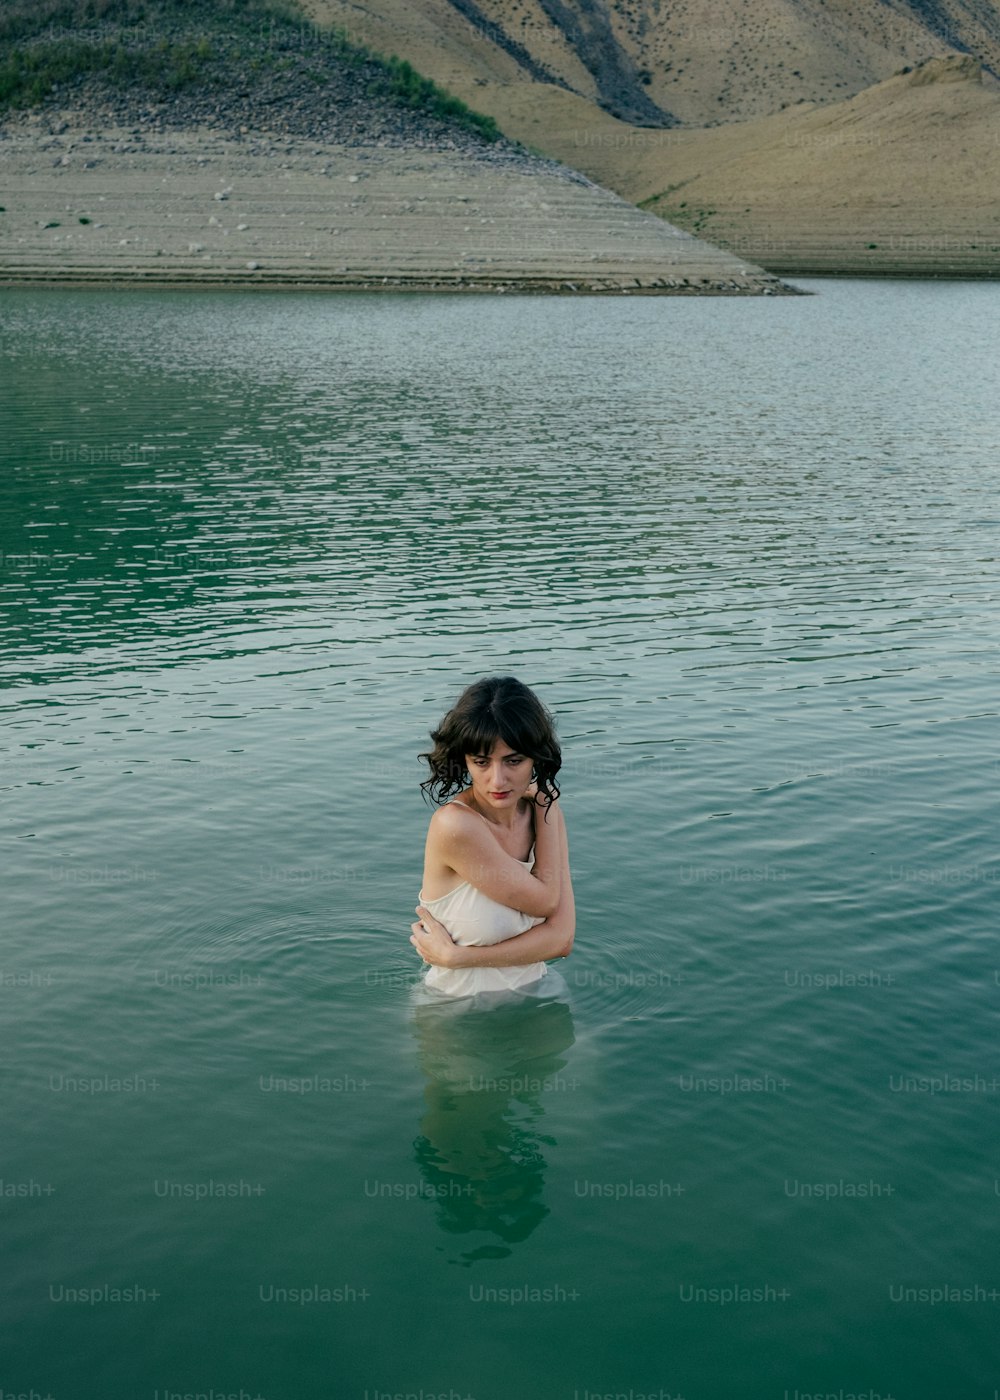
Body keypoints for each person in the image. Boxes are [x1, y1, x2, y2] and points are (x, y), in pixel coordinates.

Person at [410, 676, 575, 1001]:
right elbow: (546, 902)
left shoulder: (544, 810)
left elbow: (562, 940)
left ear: (536, 758)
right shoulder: (455, 826)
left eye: (513, 760)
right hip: (456, 1011)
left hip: (540, 997)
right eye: (481, 762)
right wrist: (548, 808)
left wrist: (461, 958)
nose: (497, 780)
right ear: (465, 760)